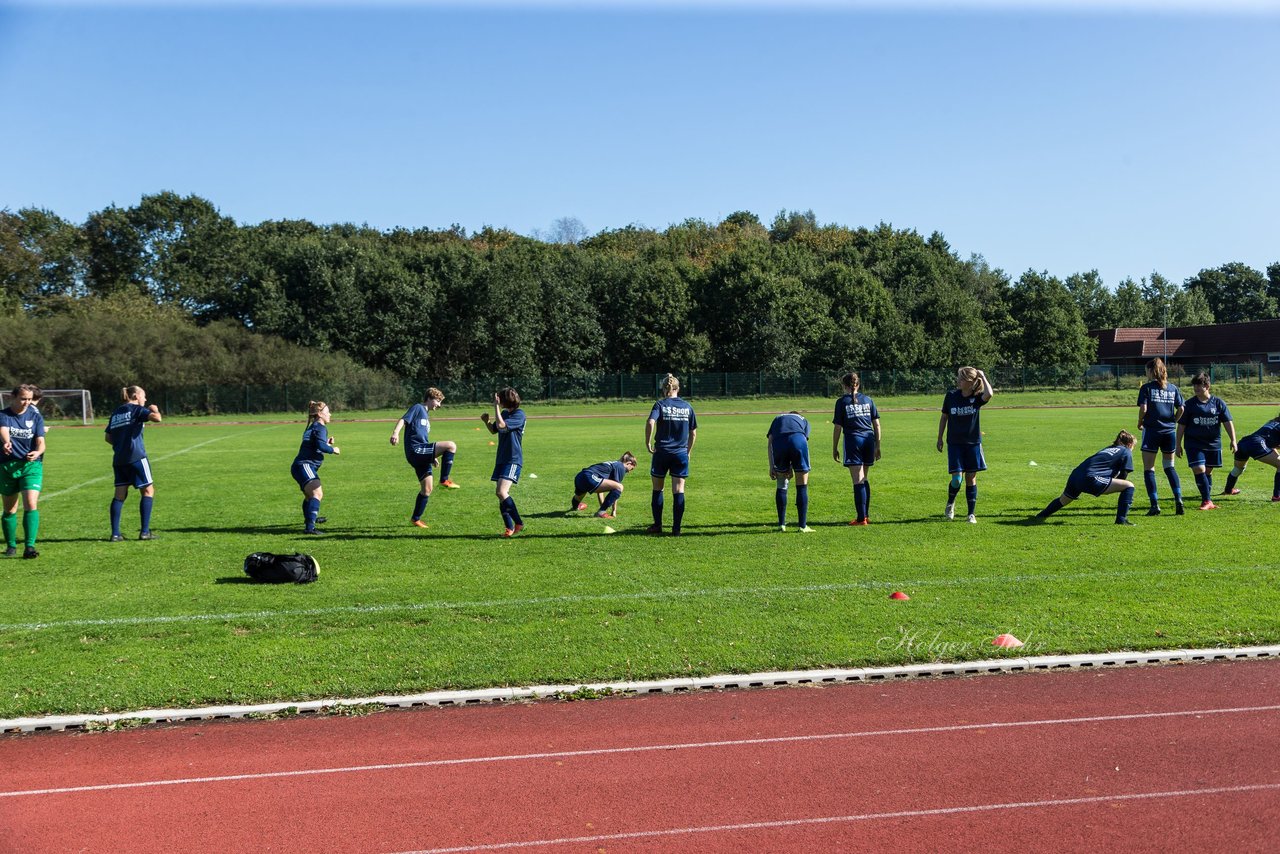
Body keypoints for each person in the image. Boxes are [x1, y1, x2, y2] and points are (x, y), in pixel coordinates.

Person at [1029, 431, 1138, 525]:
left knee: (1064, 499)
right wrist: (1114, 486)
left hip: (1076, 475)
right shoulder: (1126, 450)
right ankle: (1121, 520)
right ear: (1129, 444)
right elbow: (1124, 474)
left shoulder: (1109, 448)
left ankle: (1040, 516)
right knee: (1129, 486)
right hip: (1090, 478)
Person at [389, 387, 459, 528]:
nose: (439, 405)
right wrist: (395, 433)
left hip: (421, 452)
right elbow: (403, 420)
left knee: (427, 489)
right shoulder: (418, 408)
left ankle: (416, 519)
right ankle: (444, 480)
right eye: (438, 401)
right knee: (451, 445)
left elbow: (423, 438)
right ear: (430, 398)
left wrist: (432, 457)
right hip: (416, 450)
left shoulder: (426, 416)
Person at [936, 366, 994, 523]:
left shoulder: (977, 398)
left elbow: (990, 394)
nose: (958, 381)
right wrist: (940, 437)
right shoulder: (951, 396)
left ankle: (971, 514)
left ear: (970, 382)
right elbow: (944, 417)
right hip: (955, 444)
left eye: (961, 378)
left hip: (972, 444)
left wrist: (982, 375)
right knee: (957, 479)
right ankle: (950, 503)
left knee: (971, 477)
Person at [106, 385, 163, 541]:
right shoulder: (137, 409)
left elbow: (108, 437)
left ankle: (115, 534)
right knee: (148, 491)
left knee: (119, 495)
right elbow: (157, 419)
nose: (145, 399)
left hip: (119, 459)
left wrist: (121, 445)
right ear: (136, 396)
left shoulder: (116, 412)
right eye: (144, 396)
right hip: (136, 457)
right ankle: (145, 532)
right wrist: (154, 409)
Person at [1176, 373, 1236, 511]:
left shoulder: (1218, 403)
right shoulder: (1189, 405)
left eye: (1199, 385)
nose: (1196, 387)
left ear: (1207, 386)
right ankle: (1207, 500)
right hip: (1194, 444)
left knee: (1207, 472)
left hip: (1213, 444)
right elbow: (1181, 426)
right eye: (1194, 385)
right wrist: (1177, 444)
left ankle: (1207, 498)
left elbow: (1228, 422)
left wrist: (1233, 440)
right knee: (1199, 469)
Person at [646, 373, 697, 536]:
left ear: (663, 389)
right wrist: (688, 451)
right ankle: (676, 529)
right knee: (679, 490)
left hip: (661, 452)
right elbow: (693, 433)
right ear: (678, 388)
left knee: (658, 489)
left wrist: (647, 442)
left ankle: (658, 525)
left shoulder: (660, 405)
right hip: (680, 453)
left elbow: (650, 422)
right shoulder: (688, 406)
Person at [0, 384, 46, 558]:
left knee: (31, 504)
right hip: (7, 466)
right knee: (10, 509)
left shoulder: (35, 417)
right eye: (23, 398)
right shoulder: (3, 415)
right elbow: (3, 430)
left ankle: (30, 547)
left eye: (29, 399)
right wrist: (6, 442)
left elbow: (41, 442)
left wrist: (38, 452)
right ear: (13, 397)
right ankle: (11, 546)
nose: (27, 402)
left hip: (31, 466)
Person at [1136, 357, 1186, 516]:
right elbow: (1182, 409)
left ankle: (1155, 505)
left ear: (1151, 371)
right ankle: (1178, 499)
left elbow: (1143, 408)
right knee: (1169, 467)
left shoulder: (1146, 388)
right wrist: (1173, 421)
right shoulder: (1173, 388)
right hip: (1169, 432)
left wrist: (1140, 421)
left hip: (1152, 431)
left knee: (1149, 468)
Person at [831, 371, 880, 525]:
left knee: (857, 480)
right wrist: (878, 445)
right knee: (864, 478)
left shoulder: (841, 402)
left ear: (844, 386)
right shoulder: (869, 400)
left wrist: (834, 447)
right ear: (858, 384)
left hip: (853, 441)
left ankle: (861, 519)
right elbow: (876, 424)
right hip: (868, 439)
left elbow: (838, 427)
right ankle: (865, 516)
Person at [291, 400, 340, 535]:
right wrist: (332, 449)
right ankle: (310, 528)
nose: (330, 414)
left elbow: (313, 443)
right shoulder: (320, 427)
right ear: (320, 414)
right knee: (317, 493)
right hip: (304, 465)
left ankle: (310, 520)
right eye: (328, 412)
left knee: (309, 496)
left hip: (300, 466)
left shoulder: (314, 426)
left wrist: (325, 441)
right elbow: (321, 447)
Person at [482, 387, 526, 537]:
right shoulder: (505, 413)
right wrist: (487, 422)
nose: (498, 401)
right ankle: (509, 528)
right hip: (502, 458)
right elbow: (495, 429)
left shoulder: (519, 414)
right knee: (501, 494)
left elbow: (502, 426)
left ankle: (518, 523)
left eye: (500, 399)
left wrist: (495, 406)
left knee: (501, 492)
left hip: (513, 459)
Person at [769, 410, 812, 532]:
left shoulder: (777, 418)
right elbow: (803, 440)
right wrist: (793, 467)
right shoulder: (803, 419)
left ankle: (781, 525)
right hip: (798, 441)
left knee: (781, 483)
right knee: (802, 484)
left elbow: (770, 443)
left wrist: (772, 466)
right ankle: (802, 526)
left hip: (779, 444)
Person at [1221, 412, 1280, 500]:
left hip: (1244, 442)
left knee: (1238, 469)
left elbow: (1270, 442)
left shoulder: (1274, 422)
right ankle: (1277, 496)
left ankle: (1228, 490)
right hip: (1257, 443)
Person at [570, 452, 638, 519]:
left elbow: (600, 490)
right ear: (629, 463)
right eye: (631, 468)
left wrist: (602, 506)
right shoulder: (620, 466)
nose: (629, 472)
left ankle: (576, 507)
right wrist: (613, 511)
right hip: (589, 477)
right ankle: (601, 512)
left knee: (579, 496)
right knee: (620, 487)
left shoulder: (613, 464)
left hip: (580, 476)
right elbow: (617, 488)